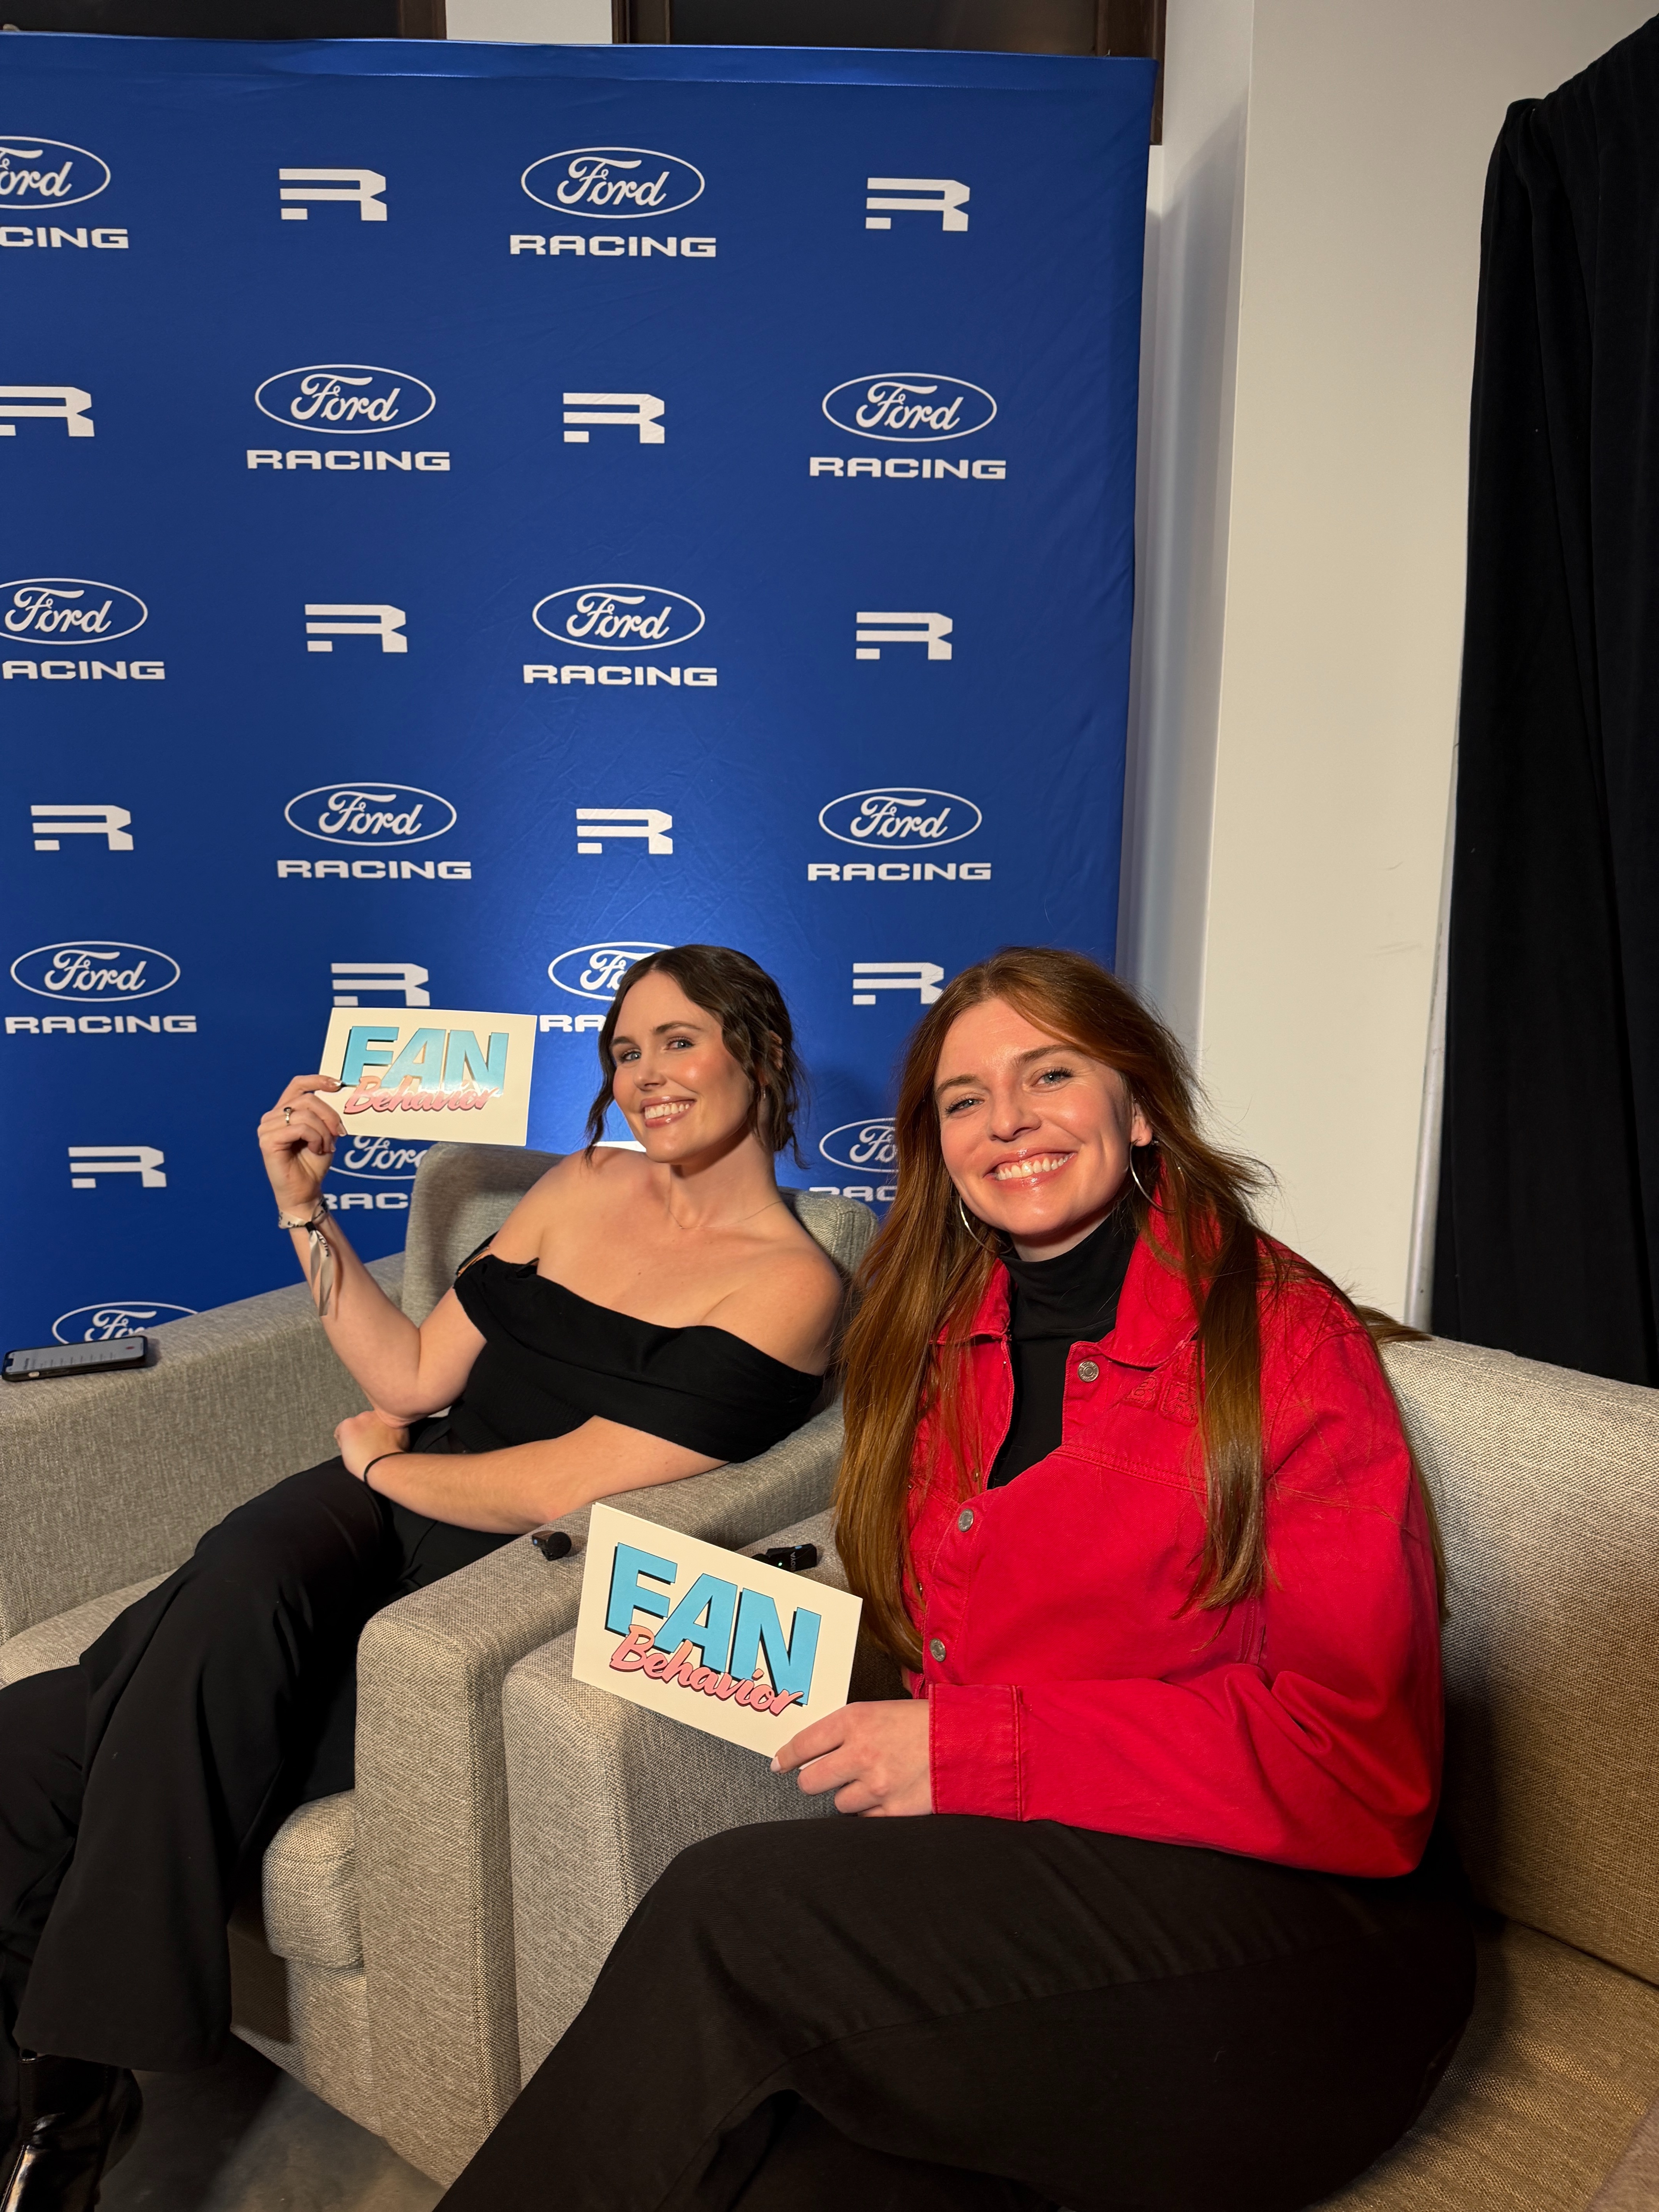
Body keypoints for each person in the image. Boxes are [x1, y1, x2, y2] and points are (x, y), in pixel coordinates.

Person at [437, 945, 1475, 2212]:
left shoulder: (1280, 1345)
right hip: (1063, 1891)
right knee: (761, 2172)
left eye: (1049, 1075)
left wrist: (973, 1749)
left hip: (1307, 1948)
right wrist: (737, 1636)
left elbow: (1358, 1765)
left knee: (730, 1909)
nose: (1009, 1123)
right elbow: (967, 1637)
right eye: (964, 1098)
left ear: (1138, 1107)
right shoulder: (950, 1329)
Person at [0, 945, 843, 2212]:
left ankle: (63, 2080)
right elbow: (406, 1381)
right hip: (371, 1508)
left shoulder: (792, 1281)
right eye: (626, 1049)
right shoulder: (577, 1185)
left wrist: (383, 1473)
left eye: (679, 1040)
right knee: (238, 1570)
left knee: (43, 1733)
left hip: (486, 1573)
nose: (649, 1073)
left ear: (758, 1054)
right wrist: (305, 1208)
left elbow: (573, 1479)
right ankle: (88, 2068)